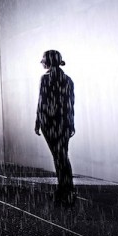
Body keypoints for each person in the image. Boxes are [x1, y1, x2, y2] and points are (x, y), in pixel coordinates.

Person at [34, 50, 76, 205]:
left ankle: (64, 190)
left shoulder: (45, 79)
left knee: (58, 156)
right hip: (63, 123)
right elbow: (70, 104)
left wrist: (38, 121)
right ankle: (67, 189)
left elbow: (42, 102)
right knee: (62, 155)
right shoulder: (68, 80)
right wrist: (71, 123)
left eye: (43, 59)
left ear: (49, 62)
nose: (41, 62)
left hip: (49, 122)